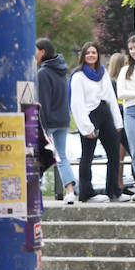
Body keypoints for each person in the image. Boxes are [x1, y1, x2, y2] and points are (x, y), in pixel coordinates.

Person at [69, 41, 126, 203]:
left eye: (94, 52)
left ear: (98, 55)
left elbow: (111, 99)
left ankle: (114, 191)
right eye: (88, 53)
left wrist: (117, 123)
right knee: (88, 155)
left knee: (114, 153)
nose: (91, 55)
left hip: (105, 113)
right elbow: (76, 103)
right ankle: (87, 193)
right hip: (89, 115)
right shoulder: (78, 76)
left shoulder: (103, 73)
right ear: (83, 55)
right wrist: (86, 127)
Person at [35, 39, 78, 204]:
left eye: (36, 51)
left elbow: (43, 103)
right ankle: (70, 192)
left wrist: (42, 128)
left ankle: (34, 191)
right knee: (61, 156)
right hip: (62, 119)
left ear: (43, 52)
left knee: (38, 156)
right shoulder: (62, 71)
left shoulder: (43, 73)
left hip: (48, 121)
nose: (34, 55)